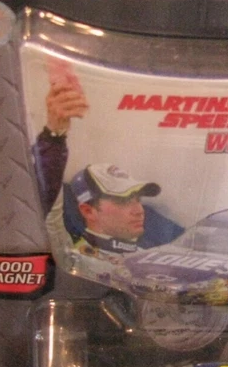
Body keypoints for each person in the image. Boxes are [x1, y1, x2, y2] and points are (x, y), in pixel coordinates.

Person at [32, 59, 182, 272]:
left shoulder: (157, 255)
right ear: (88, 211)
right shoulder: (72, 254)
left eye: (138, 199)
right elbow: (47, 198)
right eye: (123, 201)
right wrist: (54, 133)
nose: (139, 210)